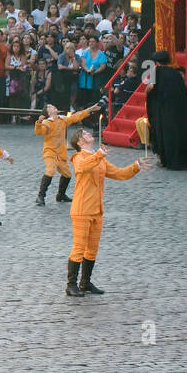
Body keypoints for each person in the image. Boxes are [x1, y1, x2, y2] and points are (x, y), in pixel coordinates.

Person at [64, 127, 148, 296]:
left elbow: (119, 174)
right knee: (79, 248)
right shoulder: (78, 157)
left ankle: (85, 282)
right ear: (80, 142)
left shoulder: (99, 159)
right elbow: (82, 167)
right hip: (81, 210)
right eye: (85, 134)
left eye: (88, 132)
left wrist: (136, 166)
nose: (90, 134)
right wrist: (99, 154)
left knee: (92, 249)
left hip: (96, 210)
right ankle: (70, 285)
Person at [33, 102, 100, 204]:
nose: (53, 106)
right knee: (50, 171)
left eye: (52, 105)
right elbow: (39, 132)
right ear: (48, 112)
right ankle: (40, 196)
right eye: (50, 107)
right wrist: (39, 122)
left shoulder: (62, 119)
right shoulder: (47, 122)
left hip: (61, 154)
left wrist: (90, 110)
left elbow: (76, 116)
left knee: (67, 174)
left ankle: (60, 195)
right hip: (50, 153)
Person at [144, 50, 187, 169]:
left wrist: (146, 92)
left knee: (164, 133)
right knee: (179, 132)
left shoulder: (155, 71)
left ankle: (165, 159)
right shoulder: (176, 73)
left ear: (157, 62)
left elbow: (150, 87)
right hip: (179, 108)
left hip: (163, 108)